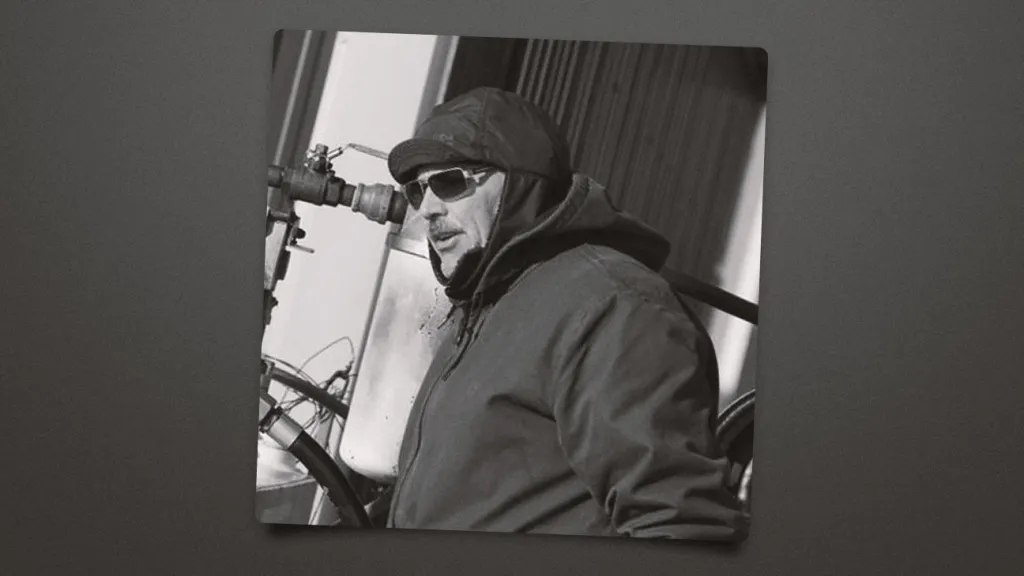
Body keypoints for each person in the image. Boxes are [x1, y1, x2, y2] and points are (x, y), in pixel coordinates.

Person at [381, 86, 749, 540]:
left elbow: (680, 523)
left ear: (521, 184)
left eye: (449, 182)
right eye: (416, 190)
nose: (427, 210)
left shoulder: (612, 308)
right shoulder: (484, 307)